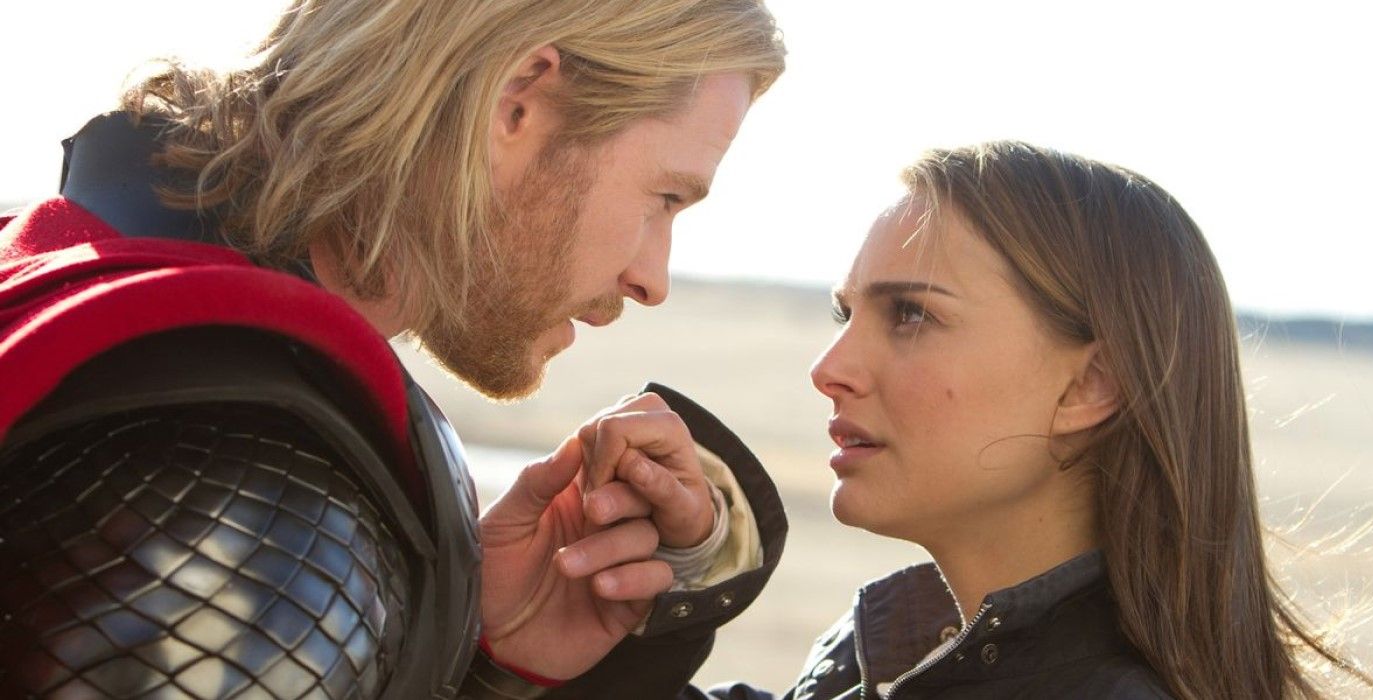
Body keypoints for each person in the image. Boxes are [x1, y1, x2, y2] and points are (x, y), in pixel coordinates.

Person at [0, 1, 786, 697]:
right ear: (519, 103)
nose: (652, 278)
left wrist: (479, 660)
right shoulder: (255, 501)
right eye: (666, 198)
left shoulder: (72, 285)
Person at [570, 141, 1373, 698]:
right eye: (842, 314)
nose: (830, 370)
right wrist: (678, 572)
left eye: (913, 316)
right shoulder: (900, 653)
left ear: (1089, 385)